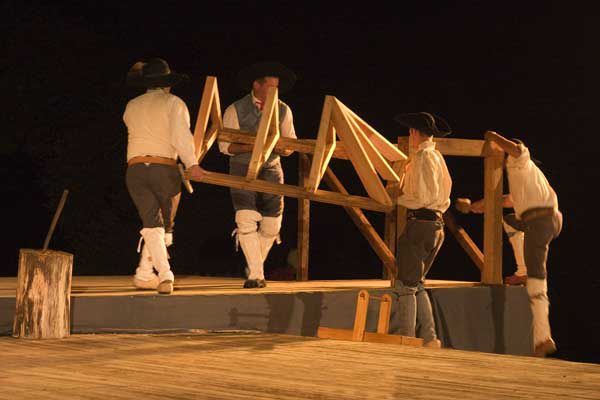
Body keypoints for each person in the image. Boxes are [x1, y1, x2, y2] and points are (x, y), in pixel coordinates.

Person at [469, 131, 562, 357]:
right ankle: (523, 271)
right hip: (539, 221)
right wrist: (472, 206)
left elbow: (517, 148)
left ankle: (542, 338)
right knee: (510, 220)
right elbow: (500, 201)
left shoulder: (520, 161)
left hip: (540, 221)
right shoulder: (524, 179)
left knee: (537, 281)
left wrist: (492, 136)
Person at [123, 58, 206, 294]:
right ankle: (166, 275)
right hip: (163, 168)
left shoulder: (132, 105)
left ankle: (144, 273)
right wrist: (193, 164)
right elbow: (181, 136)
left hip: (136, 169)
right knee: (165, 226)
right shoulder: (173, 102)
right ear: (167, 83)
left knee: (152, 223)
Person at [218, 61, 297, 288]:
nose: (274, 93)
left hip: (272, 167)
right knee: (246, 218)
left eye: (276, 88)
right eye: (270, 87)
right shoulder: (235, 109)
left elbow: (290, 144)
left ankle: (254, 266)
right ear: (256, 85)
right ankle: (255, 274)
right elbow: (225, 147)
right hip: (242, 167)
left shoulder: (283, 109)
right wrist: (255, 146)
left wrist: (283, 148)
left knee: (272, 225)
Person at [391, 112, 452, 348]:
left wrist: (399, 198)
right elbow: (444, 194)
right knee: (417, 283)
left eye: (410, 132)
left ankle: (407, 339)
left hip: (422, 223)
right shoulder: (437, 157)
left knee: (406, 285)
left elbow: (424, 197)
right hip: (436, 224)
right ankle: (429, 337)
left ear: (415, 132)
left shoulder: (424, 157)